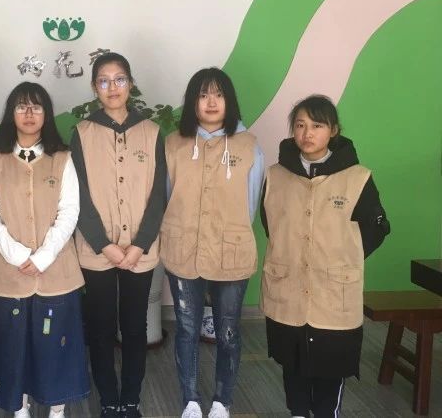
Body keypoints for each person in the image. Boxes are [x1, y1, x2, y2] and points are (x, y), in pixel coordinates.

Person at [260, 94, 390, 418]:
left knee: (331, 369)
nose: (307, 133)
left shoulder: (357, 177)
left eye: (317, 125)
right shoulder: (276, 175)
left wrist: (342, 256)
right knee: (292, 366)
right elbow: (271, 224)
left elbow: (376, 229)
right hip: (287, 290)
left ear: (333, 130)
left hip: (334, 294)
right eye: (300, 125)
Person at [0, 82, 89, 418]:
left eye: (36, 107)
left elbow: (70, 212)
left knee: (56, 345)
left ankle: (56, 409)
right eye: (21, 106)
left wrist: (42, 257)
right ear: (11, 113)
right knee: (14, 346)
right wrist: (18, 255)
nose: (28, 113)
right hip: (8, 274)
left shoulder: (62, 159)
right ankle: (19, 407)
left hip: (57, 272)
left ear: (46, 114)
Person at [161, 67, 264, 418]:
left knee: (228, 330)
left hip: (230, 250)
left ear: (229, 101)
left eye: (218, 95)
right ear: (192, 101)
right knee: (187, 328)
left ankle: (223, 400)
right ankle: (190, 398)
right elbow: (167, 197)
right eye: (203, 95)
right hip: (183, 247)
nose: (211, 102)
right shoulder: (174, 143)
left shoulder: (249, 146)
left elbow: (251, 203)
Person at [71, 52, 167, 418]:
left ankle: (131, 398)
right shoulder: (82, 133)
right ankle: (109, 399)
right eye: (104, 81)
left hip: (140, 251)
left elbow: (158, 196)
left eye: (120, 79)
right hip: (97, 250)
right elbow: (78, 194)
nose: (113, 87)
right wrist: (104, 245)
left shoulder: (152, 132)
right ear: (94, 87)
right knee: (100, 327)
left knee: (135, 327)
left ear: (131, 83)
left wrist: (139, 244)